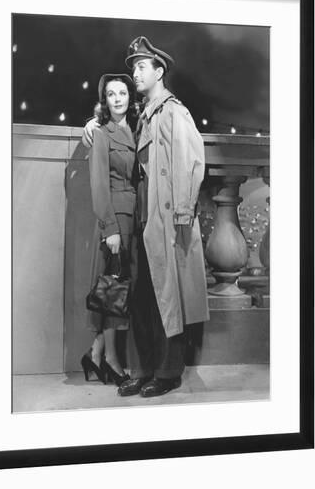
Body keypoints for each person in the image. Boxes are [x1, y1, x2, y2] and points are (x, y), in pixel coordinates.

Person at [82, 36, 209, 397]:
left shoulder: (172, 112)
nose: (135, 74)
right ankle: (144, 367)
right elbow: (114, 131)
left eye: (141, 67)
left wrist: (182, 213)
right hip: (142, 219)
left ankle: (167, 372)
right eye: (134, 67)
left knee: (166, 297)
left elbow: (191, 160)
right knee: (141, 298)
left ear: (159, 71)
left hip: (166, 220)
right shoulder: (143, 113)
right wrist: (92, 124)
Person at [81, 73, 139, 387]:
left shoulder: (138, 127)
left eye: (123, 93)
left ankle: (95, 354)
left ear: (131, 97)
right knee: (114, 291)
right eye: (111, 95)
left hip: (134, 218)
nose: (117, 99)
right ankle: (111, 360)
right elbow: (98, 185)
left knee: (117, 291)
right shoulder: (102, 133)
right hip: (115, 219)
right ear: (105, 100)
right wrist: (110, 228)